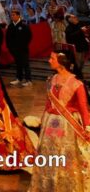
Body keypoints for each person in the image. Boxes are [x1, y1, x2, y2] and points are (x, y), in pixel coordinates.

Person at [28, 50, 90, 191]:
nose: (49, 60)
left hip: (67, 126)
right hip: (50, 124)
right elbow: (48, 103)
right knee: (49, 154)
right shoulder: (51, 79)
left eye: (52, 58)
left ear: (62, 62)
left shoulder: (77, 84)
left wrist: (87, 127)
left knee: (64, 156)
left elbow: (83, 108)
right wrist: (43, 120)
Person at [5, 7, 33, 87]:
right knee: (18, 64)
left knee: (25, 64)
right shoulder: (10, 26)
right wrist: (10, 48)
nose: (12, 16)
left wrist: (23, 45)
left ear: (18, 16)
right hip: (14, 50)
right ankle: (19, 78)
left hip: (23, 49)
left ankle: (28, 80)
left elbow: (29, 37)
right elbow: (7, 38)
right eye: (11, 15)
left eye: (14, 15)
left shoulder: (24, 25)